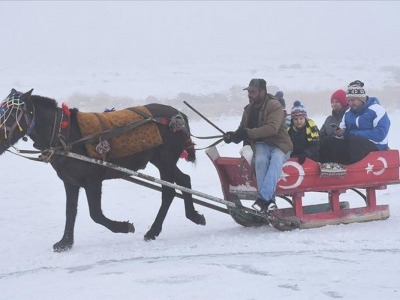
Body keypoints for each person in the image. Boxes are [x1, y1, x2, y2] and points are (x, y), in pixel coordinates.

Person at [223, 79, 293, 213]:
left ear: (263, 92)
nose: (250, 94)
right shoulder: (248, 110)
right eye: (249, 92)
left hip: (280, 145)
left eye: (253, 92)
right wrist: (232, 136)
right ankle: (270, 202)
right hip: (261, 145)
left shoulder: (274, 105)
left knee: (277, 160)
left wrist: (247, 133)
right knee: (260, 161)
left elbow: (272, 128)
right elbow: (242, 130)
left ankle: (262, 199)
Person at [319, 80, 390, 165]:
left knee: (354, 141)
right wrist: (340, 134)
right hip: (353, 142)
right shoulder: (348, 113)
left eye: (353, 100)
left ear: (361, 98)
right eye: (348, 100)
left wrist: (357, 134)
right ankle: (327, 164)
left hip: (376, 144)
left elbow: (380, 134)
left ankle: (349, 167)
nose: (350, 103)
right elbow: (345, 131)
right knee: (327, 141)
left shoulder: (376, 110)